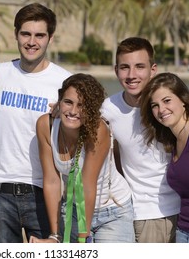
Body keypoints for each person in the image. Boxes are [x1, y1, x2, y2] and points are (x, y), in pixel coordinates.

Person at [0, 3, 71, 243]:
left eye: (39, 35)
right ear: (16, 34)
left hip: (43, 193)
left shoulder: (65, 82)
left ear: (50, 38)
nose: (32, 41)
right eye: (26, 34)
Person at [30, 73, 134, 243]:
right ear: (59, 101)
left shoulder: (97, 131)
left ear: (92, 109)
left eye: (82, 106)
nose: (73, 111)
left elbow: (87, 184)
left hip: (112, 212)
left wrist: (83, 239)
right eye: (68, 102)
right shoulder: (46, 126)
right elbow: (52, 181)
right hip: (73, 211)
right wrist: (54, 236)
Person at [101, 37, 181, 242]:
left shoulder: (168, 106)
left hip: (176, 212)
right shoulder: (108, 108)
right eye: (125, 67)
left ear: (153, 69)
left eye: (139, 67)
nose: (131, 75)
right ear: (116, 69)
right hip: (137, 214)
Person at [140, 72, 189, 243]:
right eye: (155, 105)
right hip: (184, 233)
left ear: (183, 100)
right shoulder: (174, 140)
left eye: (167, 101)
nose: (161, 110)